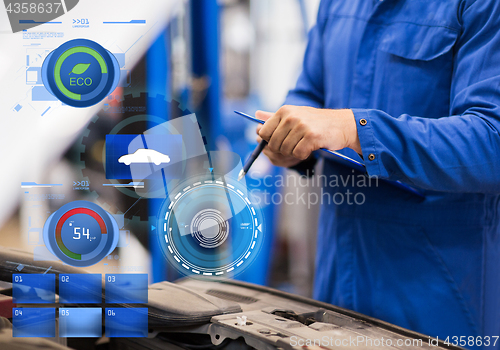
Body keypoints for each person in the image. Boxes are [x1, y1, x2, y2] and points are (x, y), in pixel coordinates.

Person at [256, 0, 500, 348]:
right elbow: (308, 94)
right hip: (337, 282)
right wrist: (287, 140)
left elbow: (492, 142)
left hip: (441, 293)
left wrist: (357, 130)